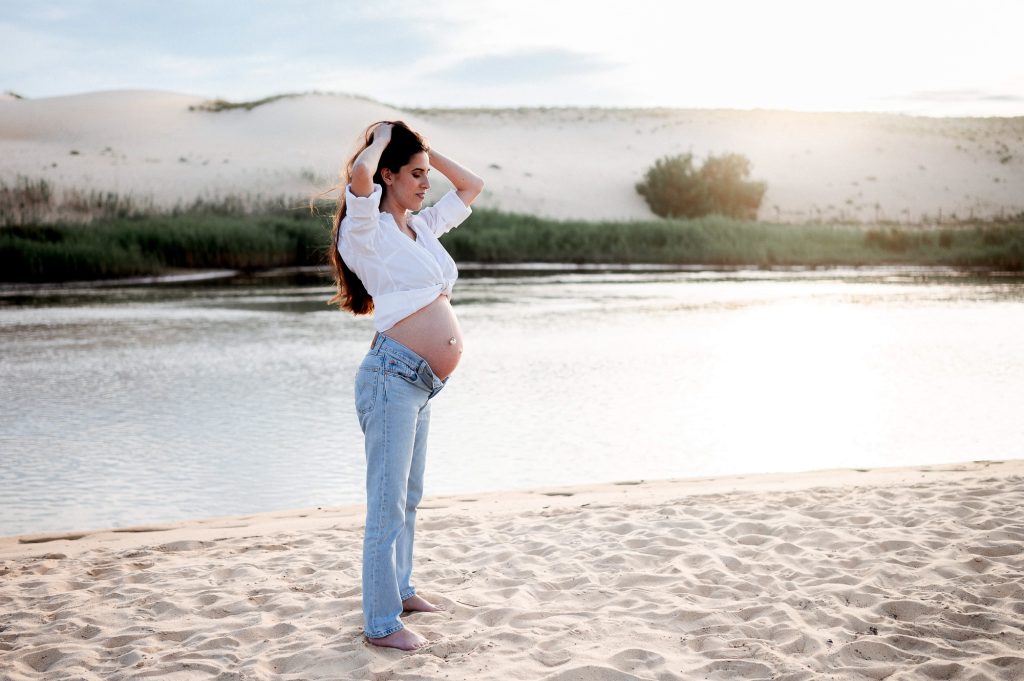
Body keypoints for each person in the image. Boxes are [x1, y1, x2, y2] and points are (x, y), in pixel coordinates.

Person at [328, 121, 484, 651]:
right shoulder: (364, 230)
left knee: (409, 499)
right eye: (414, 174)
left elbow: (472, 187)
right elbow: (360, 175)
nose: (425, 183)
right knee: (386, 503)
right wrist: (378, 142)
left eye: (425, 174)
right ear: (387, 175)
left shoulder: (418, 228)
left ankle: (400, 588)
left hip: (419, 383)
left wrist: (426, 152)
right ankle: (380, 623)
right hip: (391, 378)